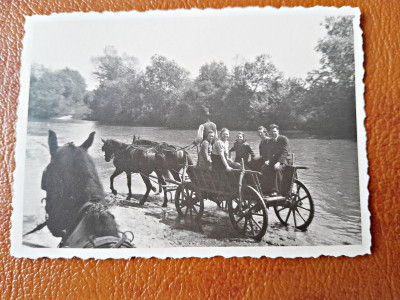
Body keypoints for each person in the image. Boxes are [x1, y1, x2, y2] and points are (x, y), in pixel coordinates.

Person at [261, 124, 290, 196]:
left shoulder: (283, 139)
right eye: (271, 132)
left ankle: (276, 191)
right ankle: (266, 190)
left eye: (274, 131)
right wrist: (268, 160)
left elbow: (285, 152)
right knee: (265, 168)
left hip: (284, 160)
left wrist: (279, 163)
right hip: (273, 160)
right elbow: (270, 153)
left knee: (277, 169)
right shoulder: (270, 141)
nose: (273, 133)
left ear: (278, 131)